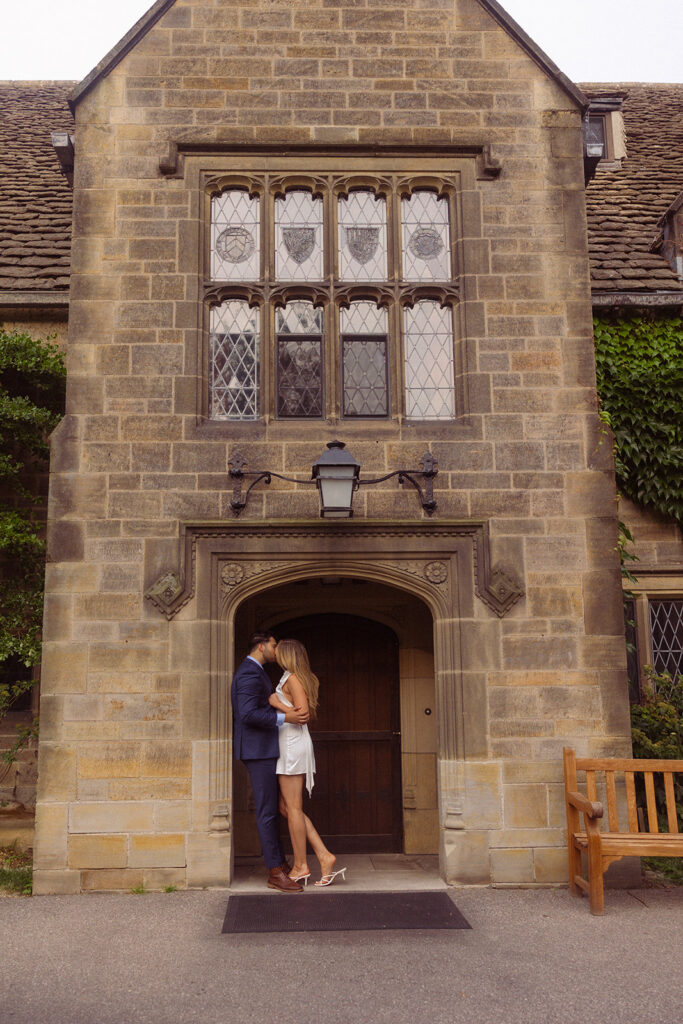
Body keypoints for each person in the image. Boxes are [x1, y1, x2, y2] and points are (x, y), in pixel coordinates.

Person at [231, 631, 309, 893]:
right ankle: (275, 872)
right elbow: (247, 714)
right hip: (258, 751)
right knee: (267, 811)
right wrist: (284, 719)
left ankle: (281, 863)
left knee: (274, 809)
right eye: (274, 645)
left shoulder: (257, 671)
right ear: (262, 646)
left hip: (265, 749)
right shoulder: (248, 673)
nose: (276, 650)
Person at [269, 638, 346, 887]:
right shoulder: (290, 676)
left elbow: (302, 715)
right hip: (288, 744)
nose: (275, 650)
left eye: (279, 648)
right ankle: (324, 855)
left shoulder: (293, 678)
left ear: (288, 654)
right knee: (287, 807)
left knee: (292, 807)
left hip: (292, 745)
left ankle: (302, 866)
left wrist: (275, 703)